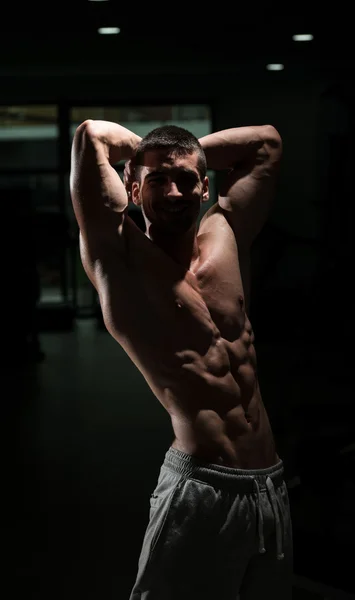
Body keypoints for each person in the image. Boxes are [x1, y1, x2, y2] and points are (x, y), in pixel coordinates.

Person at [70, 120, 293, 599]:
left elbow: (266, 143)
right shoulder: (119, 260)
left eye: (188, 179)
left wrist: (178, 153)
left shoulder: (226, 233)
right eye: (156, 180)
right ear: (132, 186)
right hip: (203, 489)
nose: (175, 191)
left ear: (205, 183)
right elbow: (92, 136)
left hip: (270, 485)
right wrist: (151, 151)